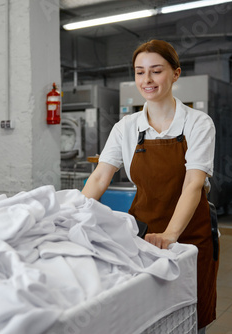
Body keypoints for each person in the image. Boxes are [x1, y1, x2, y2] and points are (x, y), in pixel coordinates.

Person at [81, 39, 218, 332]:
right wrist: (73, 215)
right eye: (139, 72)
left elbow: (193, 184)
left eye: (156, 71)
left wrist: (170, 234)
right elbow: (99, 178)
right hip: (141, 233)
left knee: (190, 316)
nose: (147, 80)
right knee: (147, 316)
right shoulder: (126, 127)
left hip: (190, 234)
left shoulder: (197, 123)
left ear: (175, 74)